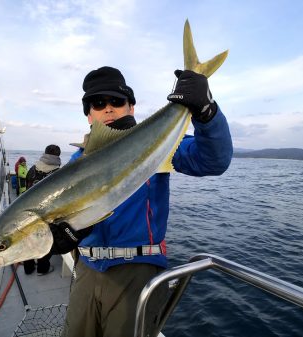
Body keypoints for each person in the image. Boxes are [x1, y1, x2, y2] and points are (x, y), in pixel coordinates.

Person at [50, 66, 233, 336]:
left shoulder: (156, 145)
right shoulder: (78, 160)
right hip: (87, 270)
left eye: (117, 101)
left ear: (131, 107)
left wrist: (207, 113)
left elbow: (212, 160)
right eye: (98, 103)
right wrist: (57, 235)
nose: (108, 109)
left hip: (136, 273)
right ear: (89, 114)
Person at [23, 145, 62, 275]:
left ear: (44, 153)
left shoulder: (33, 169)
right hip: (47, 214)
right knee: (45, 241)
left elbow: (25, 189)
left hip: (28, 212)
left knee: (28, 240)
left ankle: (28, 268)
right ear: (58, 156)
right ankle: (42, 269)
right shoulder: (58, 173)